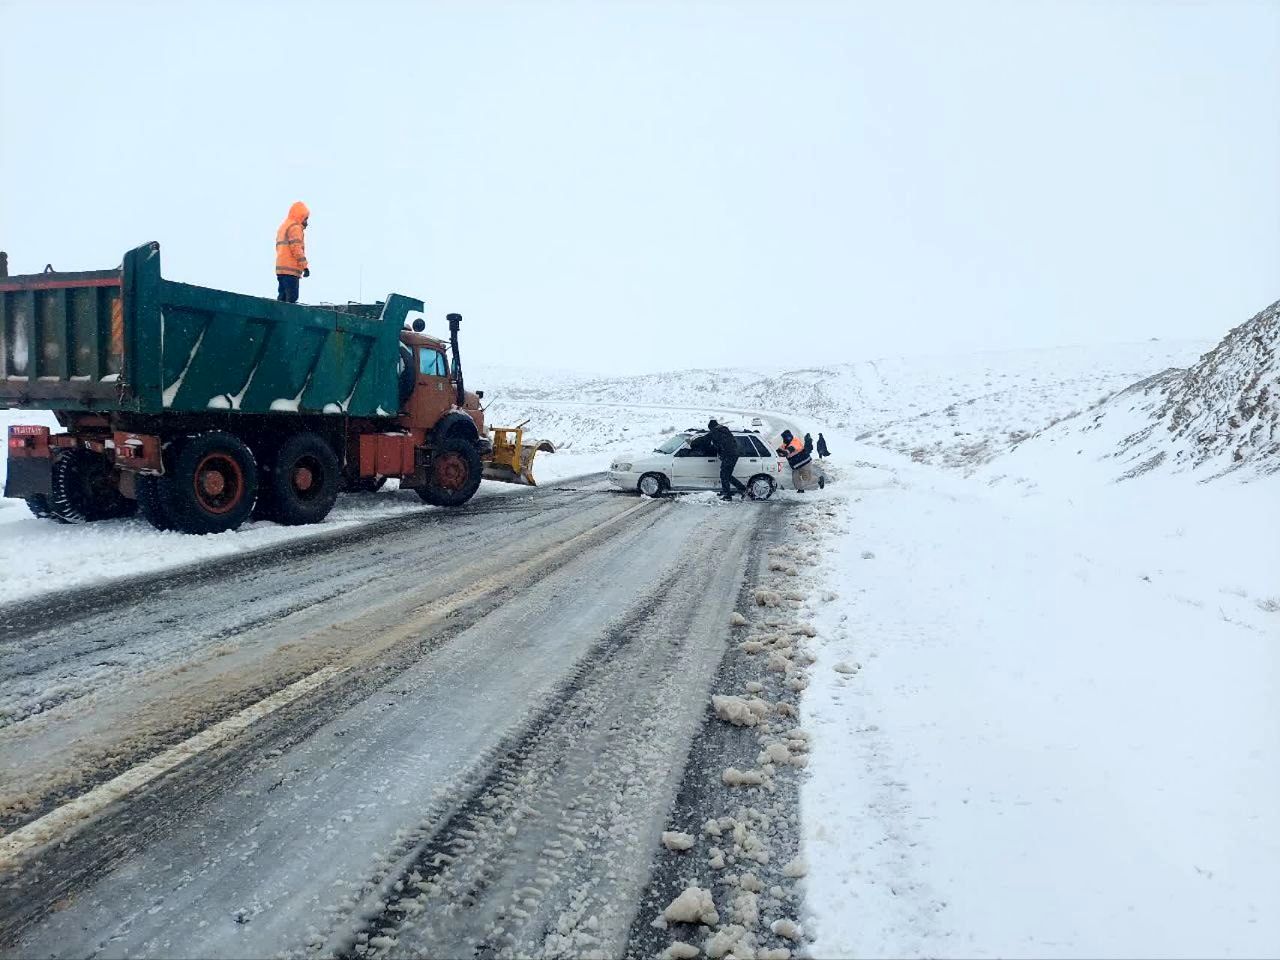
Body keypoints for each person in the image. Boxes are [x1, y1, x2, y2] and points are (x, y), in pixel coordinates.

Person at [275, 201, 310, 303]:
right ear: (300, 216)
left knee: (282, 299)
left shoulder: (284, 226)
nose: (307, 223)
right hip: (290, 270)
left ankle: (278, 317)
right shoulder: (295, 228)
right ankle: (285, 318)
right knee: (291, 300)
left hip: (281, 270)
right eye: (305, 219)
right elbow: (296, 249)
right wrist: (305, 266)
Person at [706, 419, 747, 501]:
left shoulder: (716, 431)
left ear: (711, 427)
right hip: (734, 454)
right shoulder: (724, 430)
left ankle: (727, 495)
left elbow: (709, 441)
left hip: (729, 455)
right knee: (727, 475)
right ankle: (742, 489)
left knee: (724, 475)